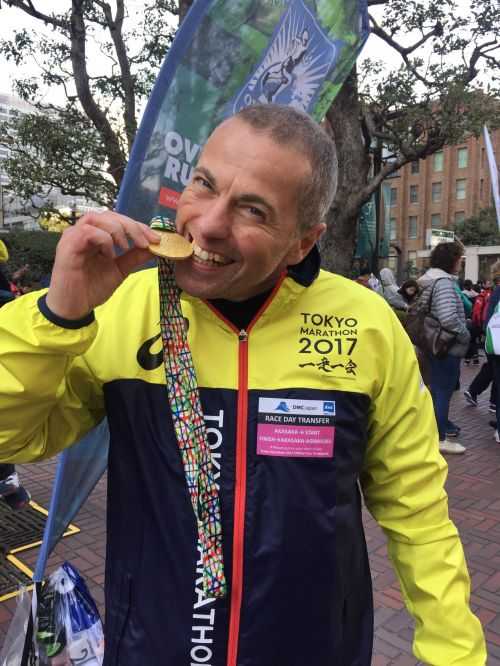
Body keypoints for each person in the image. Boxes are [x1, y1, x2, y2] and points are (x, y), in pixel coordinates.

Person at [0, 105, 485, 665]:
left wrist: (455, 652)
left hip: (313, 649)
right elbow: (12, 438)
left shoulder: (366, 324)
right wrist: (57, 316)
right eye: (204, 184)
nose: (208, 224)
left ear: (303, 242)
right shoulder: (121, 306)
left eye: (253, 209)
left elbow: (416, 508)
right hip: (152, 646)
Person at [417, 242, 470, 455]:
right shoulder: (444, 283)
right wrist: (465, 333)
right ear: (452, 260)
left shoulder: (428, 280)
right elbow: (448, 318)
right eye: (459, 259)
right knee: (442, 393)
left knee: (435, 390)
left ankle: (432, 432)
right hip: (445, 346)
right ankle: (439, 438)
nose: (461, 263)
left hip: (431, 343)